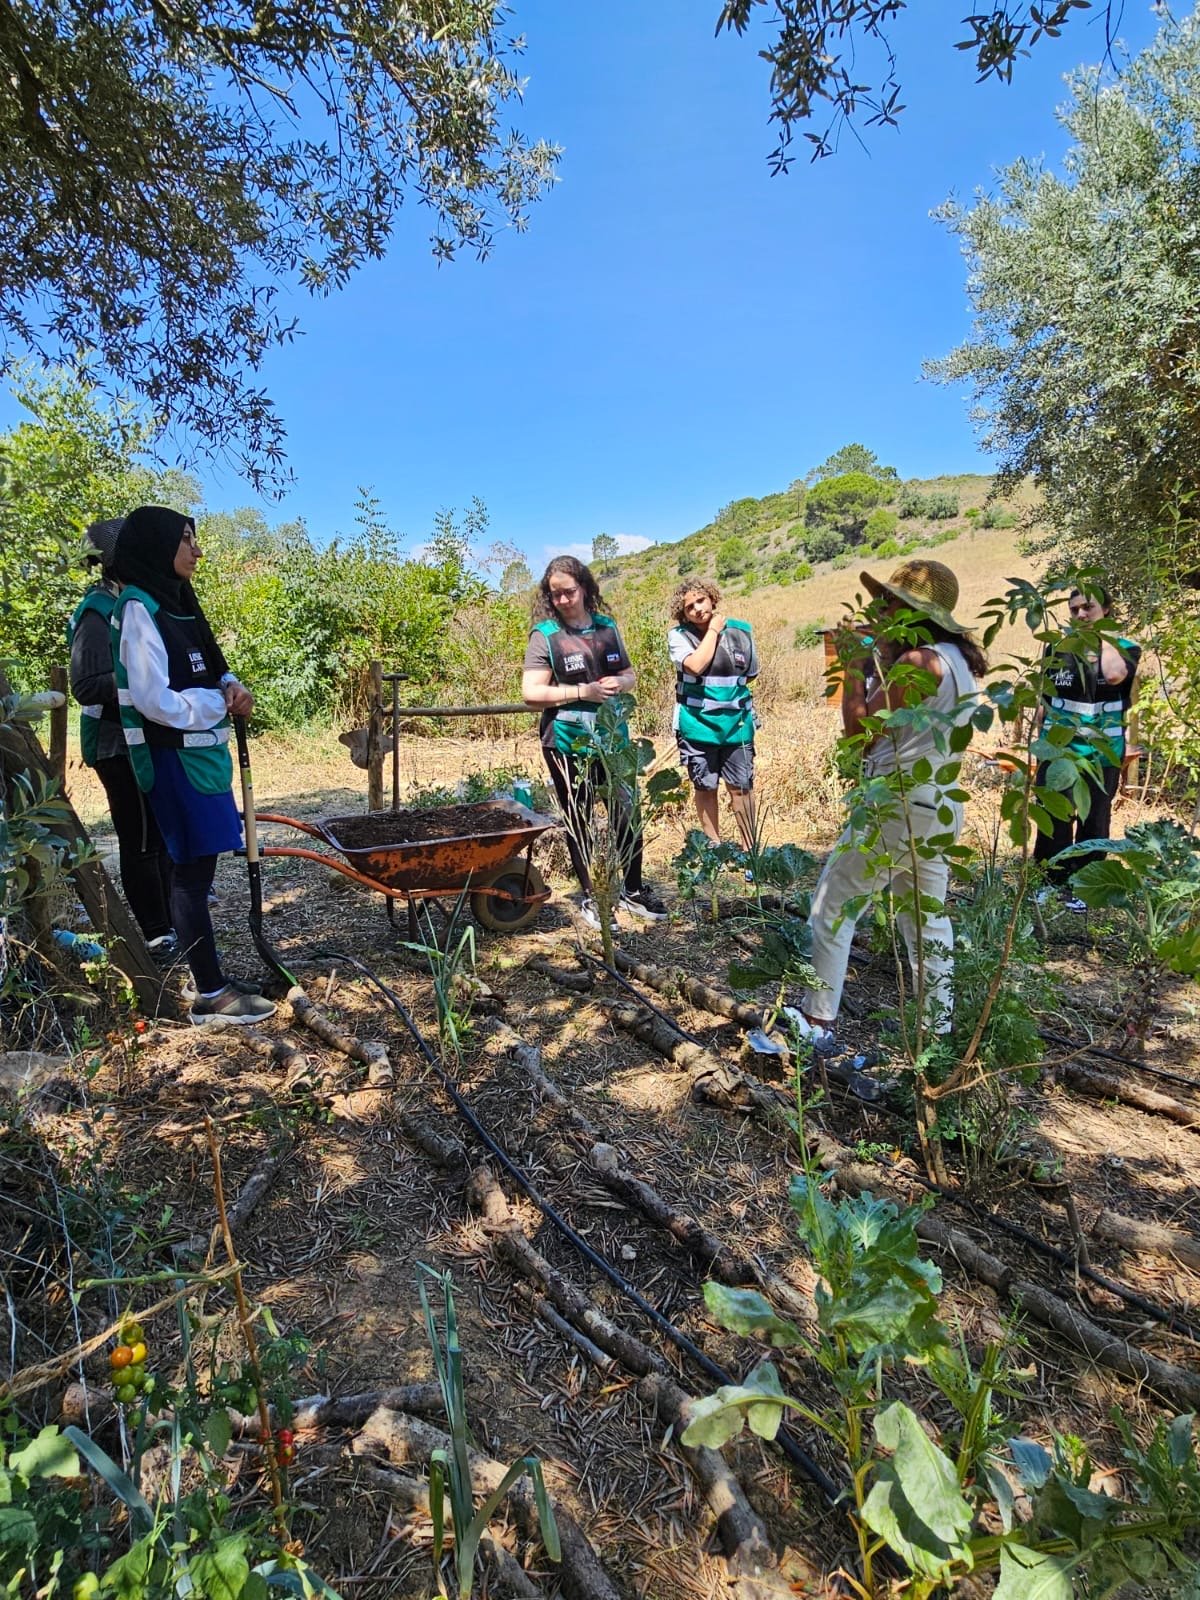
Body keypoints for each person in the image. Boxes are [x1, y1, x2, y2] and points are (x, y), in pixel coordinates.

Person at [795, 559, 985, 1050]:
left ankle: (816, 1026)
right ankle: (936, 1037)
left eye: (886, 601)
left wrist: (854, 669)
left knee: (833, 907)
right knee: (926, 920)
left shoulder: (917, 662)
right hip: (940, 802)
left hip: (896, 800)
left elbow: (860, 737)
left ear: (909, 612)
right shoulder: (959, 663)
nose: (875, 610)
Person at [108, 506, 275, 1024]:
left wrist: (233, 687)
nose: (197, 550)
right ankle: (210, 992)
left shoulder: (181, 601)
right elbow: (151, 698)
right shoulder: (140, 609)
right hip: (170, 757)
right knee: (190, 871)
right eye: (186, 539)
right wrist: (214, 704)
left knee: (200, 869)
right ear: (158, 545)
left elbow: (214, 663)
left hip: (201, 755)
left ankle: (210, 977)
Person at [521, 556, 667, 931]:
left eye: (569, 591)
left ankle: (632, 890)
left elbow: (630, 675)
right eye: (555, 595)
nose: (564, 600)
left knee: (626, 812)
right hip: (566, 741)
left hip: (613, 740)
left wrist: (622, 684)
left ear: (585, 587)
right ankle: (591, 896)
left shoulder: (607, 628)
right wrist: (582, 691)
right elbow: (531, 693)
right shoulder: (546, 635)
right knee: (578, 817)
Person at [68, 518, 177, 963]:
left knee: (164, 835)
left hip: (145, 738)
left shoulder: (136, 602)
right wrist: (145, 688)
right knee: (141, 839)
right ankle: (156, 934)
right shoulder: (98, 609)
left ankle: (172, 917)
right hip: (117, 744)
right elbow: (88, 684)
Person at [1034, 583, 1140, 910]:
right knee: (1054, 817)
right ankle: (1053, 882)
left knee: (1095, 820)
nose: (1080, 614)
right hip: (1058, 750)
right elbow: (1045, 700)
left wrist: (1101, 637)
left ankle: (1085, 886)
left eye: (1088, 607)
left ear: (1106, 609)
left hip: (1101, 752)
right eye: (1074, 609)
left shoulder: (1125, 649)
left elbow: (1114, 675)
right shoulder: (1056, 649)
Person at [667, 578, 759, 852]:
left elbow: (750, 673)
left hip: (737, 726)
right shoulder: (679, 636)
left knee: (741, 788)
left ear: (712, 599)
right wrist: (714, 631)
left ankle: (749, 852)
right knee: (706, 788)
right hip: (697, 727)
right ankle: (714, 850)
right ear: (682, 614)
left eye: (700, 600)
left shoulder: (742, 632)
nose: (696, 609)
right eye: (688, 607)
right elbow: (695, 665)